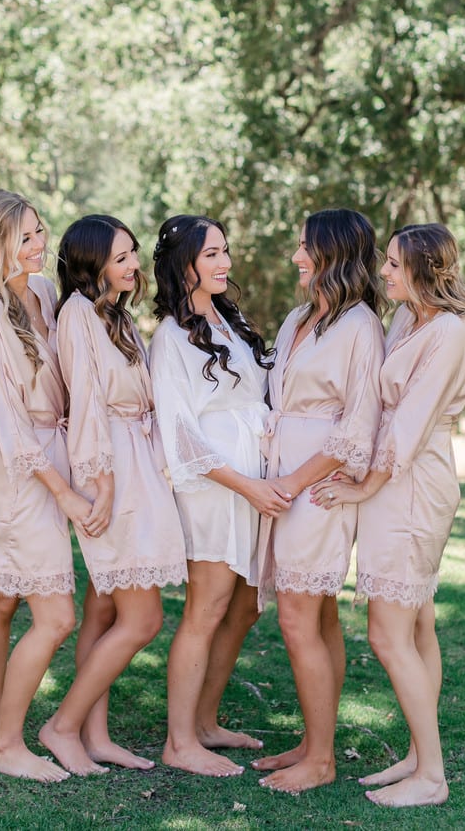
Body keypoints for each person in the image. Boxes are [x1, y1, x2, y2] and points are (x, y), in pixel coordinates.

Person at [312, 222, 465, 807]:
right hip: (397, 481)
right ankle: (418, 754)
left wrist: (364, 486)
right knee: (416, 626)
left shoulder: (450, 332)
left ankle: (432, 777)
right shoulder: (407, 319)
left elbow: (411, 421)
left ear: (423, 269)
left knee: (387, 635)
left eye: (394, 263)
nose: (384, 271)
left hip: (413, 484)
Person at [38, 215, 188, 776]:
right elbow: (86, 403)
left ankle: (95, 736)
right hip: (111, 468)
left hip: (137, 462)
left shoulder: (115, 316)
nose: (133, 265)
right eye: (120, 257)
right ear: (92, 263)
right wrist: (100, 482)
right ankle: (62, 726)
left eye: (132, 254)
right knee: (143, 618)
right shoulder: (78, 314)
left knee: (105, 607)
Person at [149, 214, 292, 777]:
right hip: (216, 487)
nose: (225, 262)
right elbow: (181, 434)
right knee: (206, 608)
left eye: (225, 251)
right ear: (183, 263)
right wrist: (247, 485)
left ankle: (206, 722)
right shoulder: (170, 338)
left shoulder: (230, 321)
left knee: (244, 607)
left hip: (254, 481)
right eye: (211, 253)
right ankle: (179, 741)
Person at [252, 207, 386, 794]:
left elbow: (357, 427)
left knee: (296, 616)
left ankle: (323, 761)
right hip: (285, 475)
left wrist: (290, 483)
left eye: (305, 247)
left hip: (317, 486)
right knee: (320, 613)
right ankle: (314, 742)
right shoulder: (299, 317)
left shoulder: (361, 327)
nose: (296, 257)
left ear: (332, 254)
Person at [0, 188, 92, 782]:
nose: (40, 243)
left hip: (54, 454)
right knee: (56, 617)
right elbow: (11, 425)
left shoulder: (42, 292)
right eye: (26, 236)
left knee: (0, 596)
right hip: (21, 471)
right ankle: (10, 743)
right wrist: (62, 491)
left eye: (40, 231)